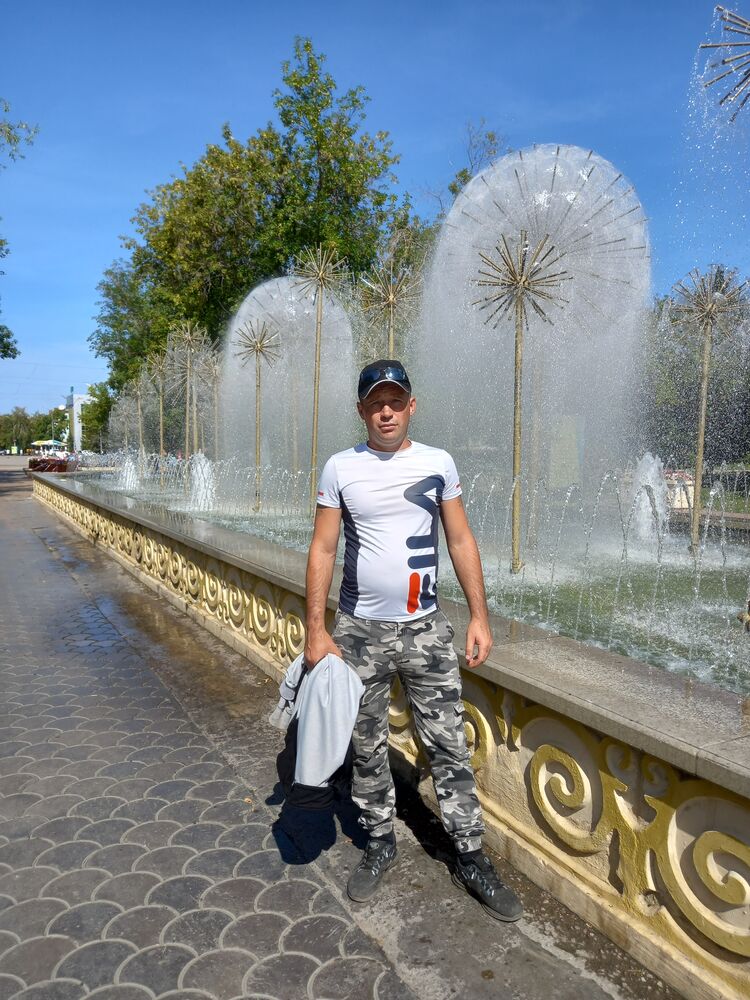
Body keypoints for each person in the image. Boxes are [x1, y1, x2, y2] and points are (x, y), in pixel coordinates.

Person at [304, 359, 523, 922]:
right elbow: (323, 548)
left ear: (411, 406)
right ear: (361, 410)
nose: (386, 412)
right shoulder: (341, 467)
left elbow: (460, 537)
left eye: (395, 401)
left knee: (448, 743)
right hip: (359, 632)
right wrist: (316, 629)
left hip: (425, 628)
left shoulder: (437, 462)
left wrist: (480, 616)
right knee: (366, 745)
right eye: (376, 403)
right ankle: (379, 841)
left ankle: (470, 855)